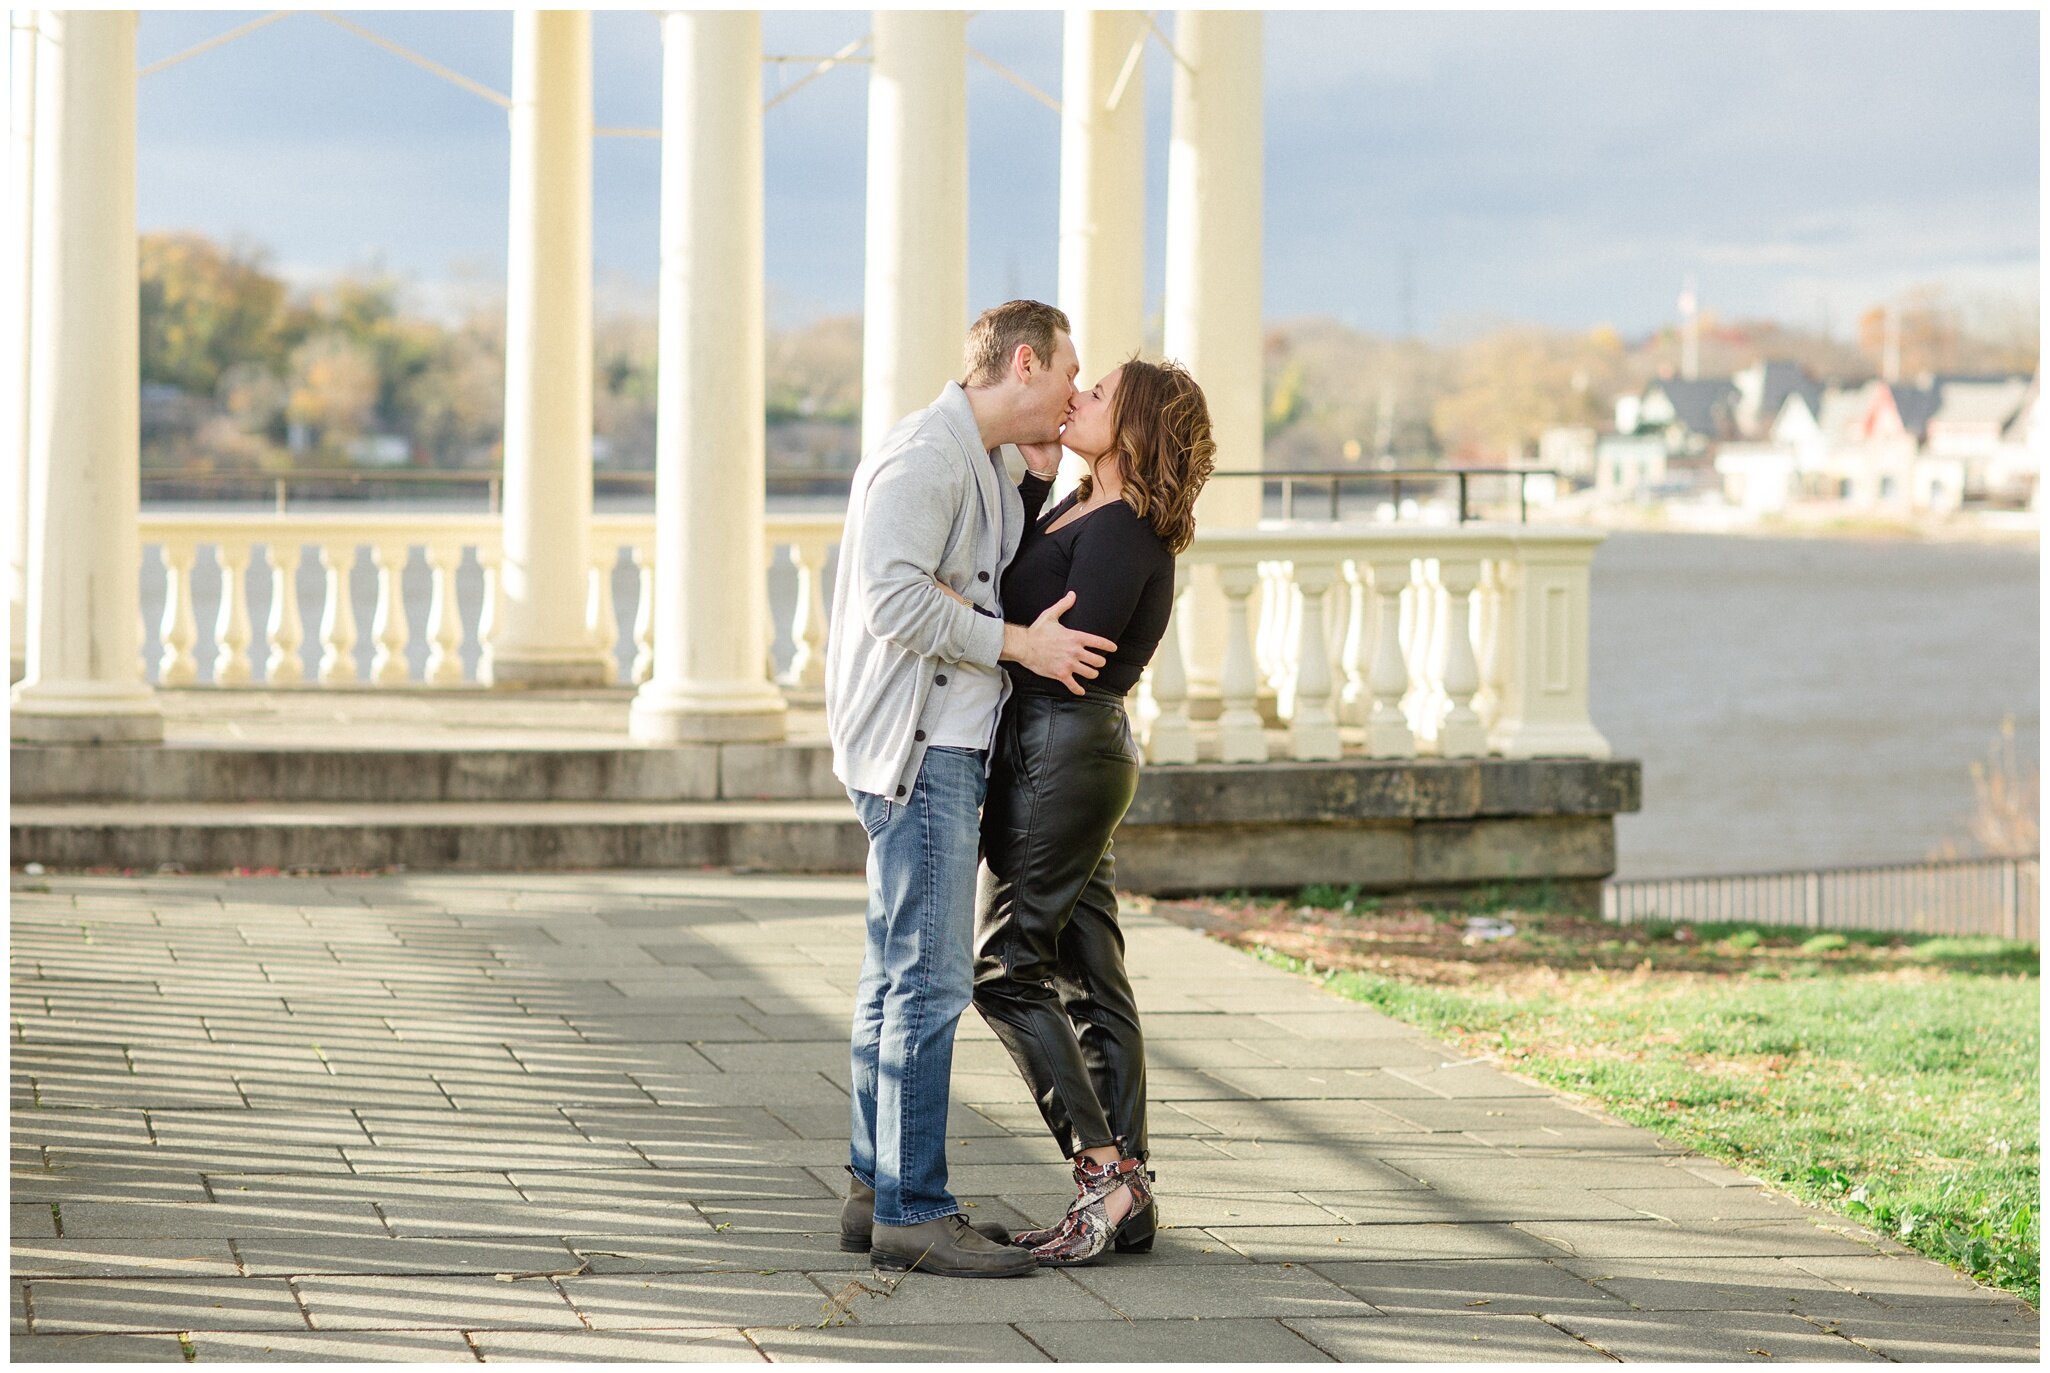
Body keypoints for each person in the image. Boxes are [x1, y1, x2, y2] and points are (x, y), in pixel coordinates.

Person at [823, 300, 1117, 1279]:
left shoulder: (983, 462)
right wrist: (1018, 643)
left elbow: (976, 576)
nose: (1076, 393)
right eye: (1067, 373)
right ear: (1023, 361)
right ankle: (915, 1208)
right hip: (921, 750)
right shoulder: (927, 457)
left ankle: (875, 1189)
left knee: (892, 971)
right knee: (932, 979)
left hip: (937, 744)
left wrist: (1038, 474)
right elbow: (895, 597)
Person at [968, 358, 1216, 1267]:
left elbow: (1065, 655)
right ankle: (1132, 1199)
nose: (1078, 397)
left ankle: (1105, 1174)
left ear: (1138, 426)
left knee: (1003, 971)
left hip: (1063, 752)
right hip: (1064, 749)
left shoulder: (1123, 533)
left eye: (1100, 393)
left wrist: (991, 632)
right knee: (1090, 969)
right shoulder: (1084, 505)